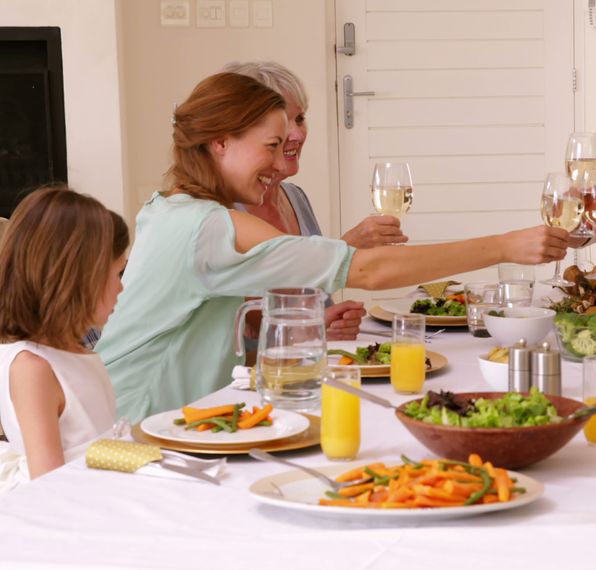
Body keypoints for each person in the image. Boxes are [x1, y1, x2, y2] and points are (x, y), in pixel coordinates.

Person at [95, 72, 568, 422]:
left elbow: (189, 317)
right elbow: (368, 272)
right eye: (271, 145)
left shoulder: (168, 207)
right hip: (141, 423)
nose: (280, 164)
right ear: (221, 142)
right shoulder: (210, 226)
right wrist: (503, 246)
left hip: (166, 409)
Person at [222, 60, 390, 344]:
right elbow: (254, 319)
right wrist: (345, 247)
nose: (297, 135)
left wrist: (330, 326)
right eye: (283, 123)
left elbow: (314, 306)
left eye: (299, 119)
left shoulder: (296, 198)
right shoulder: (222, 213)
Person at [0, 186, 129, 489]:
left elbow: (95, 440)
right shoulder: (33, 368)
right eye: (116, 275)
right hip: (62, 510)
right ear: (76, 280)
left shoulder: (76, 352)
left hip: (96, 491)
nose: (121, 290)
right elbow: (50, 484)